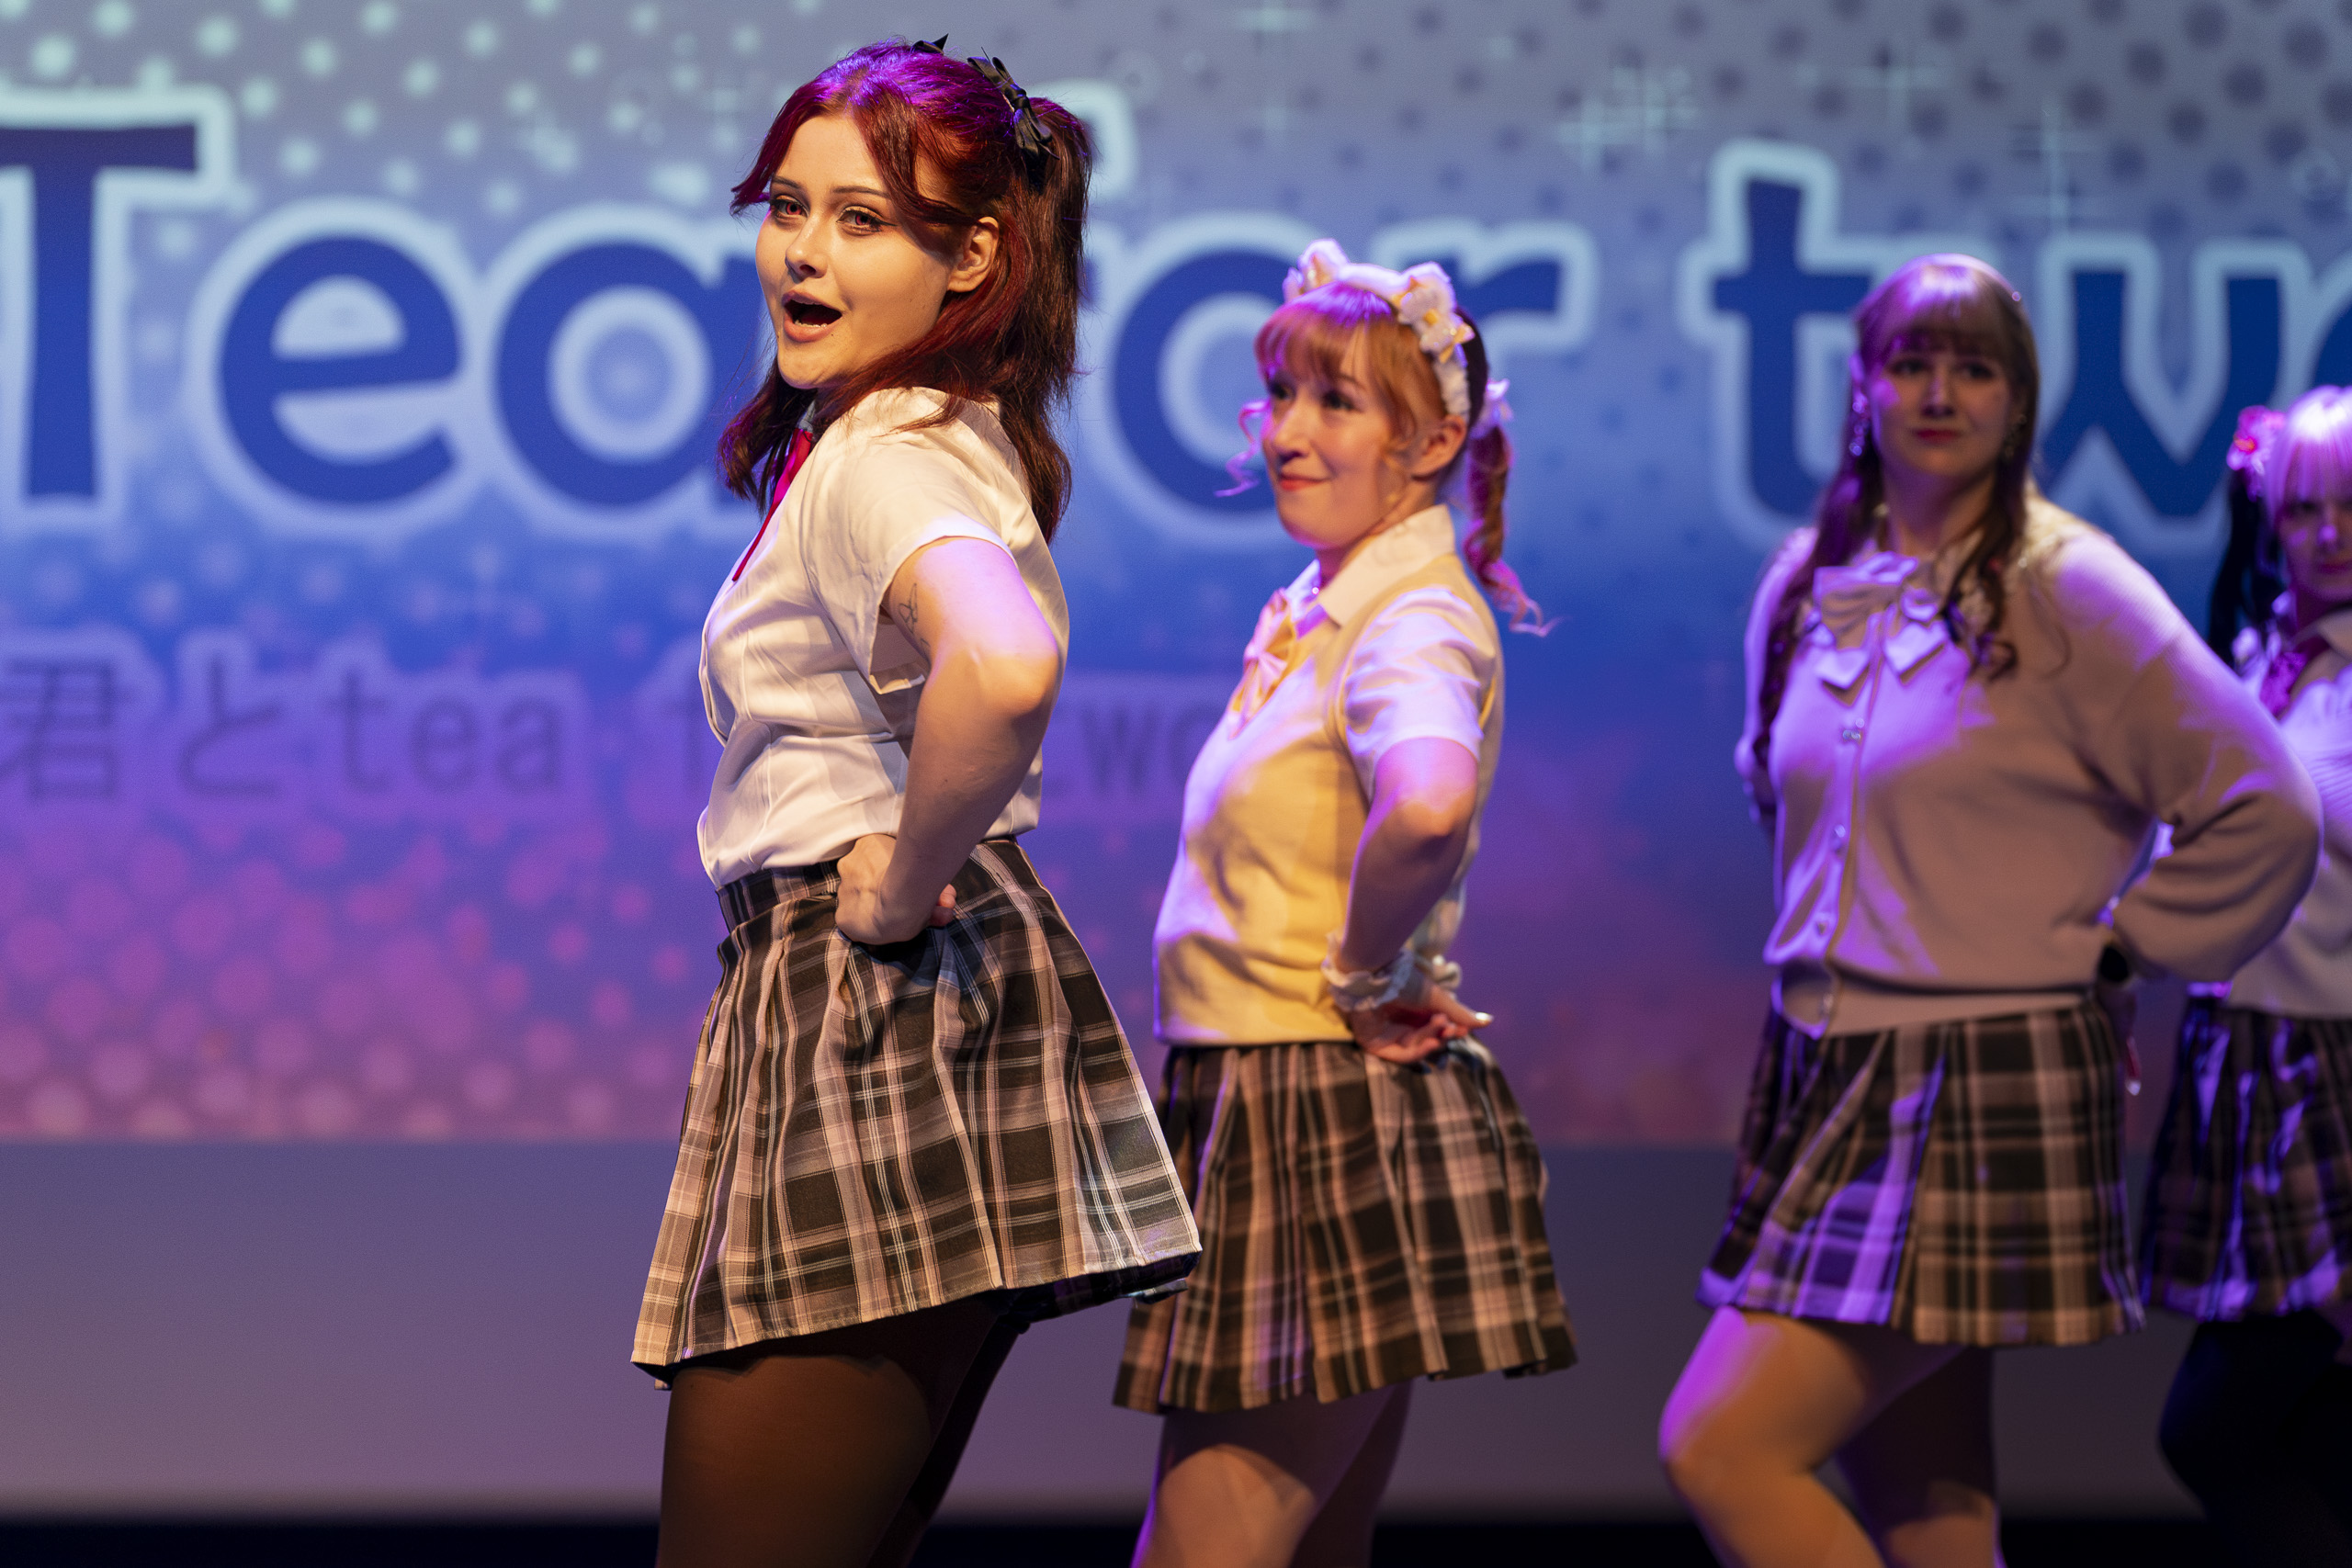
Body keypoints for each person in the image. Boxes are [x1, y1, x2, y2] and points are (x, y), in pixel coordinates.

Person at [1656, 254, 2321, 1568]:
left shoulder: (2069, 583)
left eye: (1975, 368)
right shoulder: (1807, 582)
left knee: (1720, 1446)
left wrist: (2128, 944)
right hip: (1824, 1063)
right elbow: (1785, 799)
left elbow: (2264, 804)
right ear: (1863, 388)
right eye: (1910, 363)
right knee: (1929, 1501)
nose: (1939, 394)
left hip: (1978, 1068)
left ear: (2018, 404)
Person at [631, 39, 1199, 1568]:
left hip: (875, 996)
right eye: (787, 208)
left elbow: (1003, 666)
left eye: (863, 220)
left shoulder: (887, 452)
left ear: (977, 256)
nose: (803, 253)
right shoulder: (902, 435)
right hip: (899, 1001)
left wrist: (891, 881)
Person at [1113, 240, 1576, 1568]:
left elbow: (1427, 801)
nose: (1287, 433)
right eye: (1280, 395)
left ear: (1430, 443)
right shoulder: (1335, 600)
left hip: (1313, 1099)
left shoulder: (1408, 616)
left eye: (1336, 401)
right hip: (1282, 1089)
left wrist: (1365, 974)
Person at [2140, 389, 2352, 1567]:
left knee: (2218, 1426)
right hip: (2247, 1052)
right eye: (2303, 508)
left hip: (2330, 1059)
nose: (2327, 534)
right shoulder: (2261, 660)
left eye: (2350, 508)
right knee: (2299, 1421)